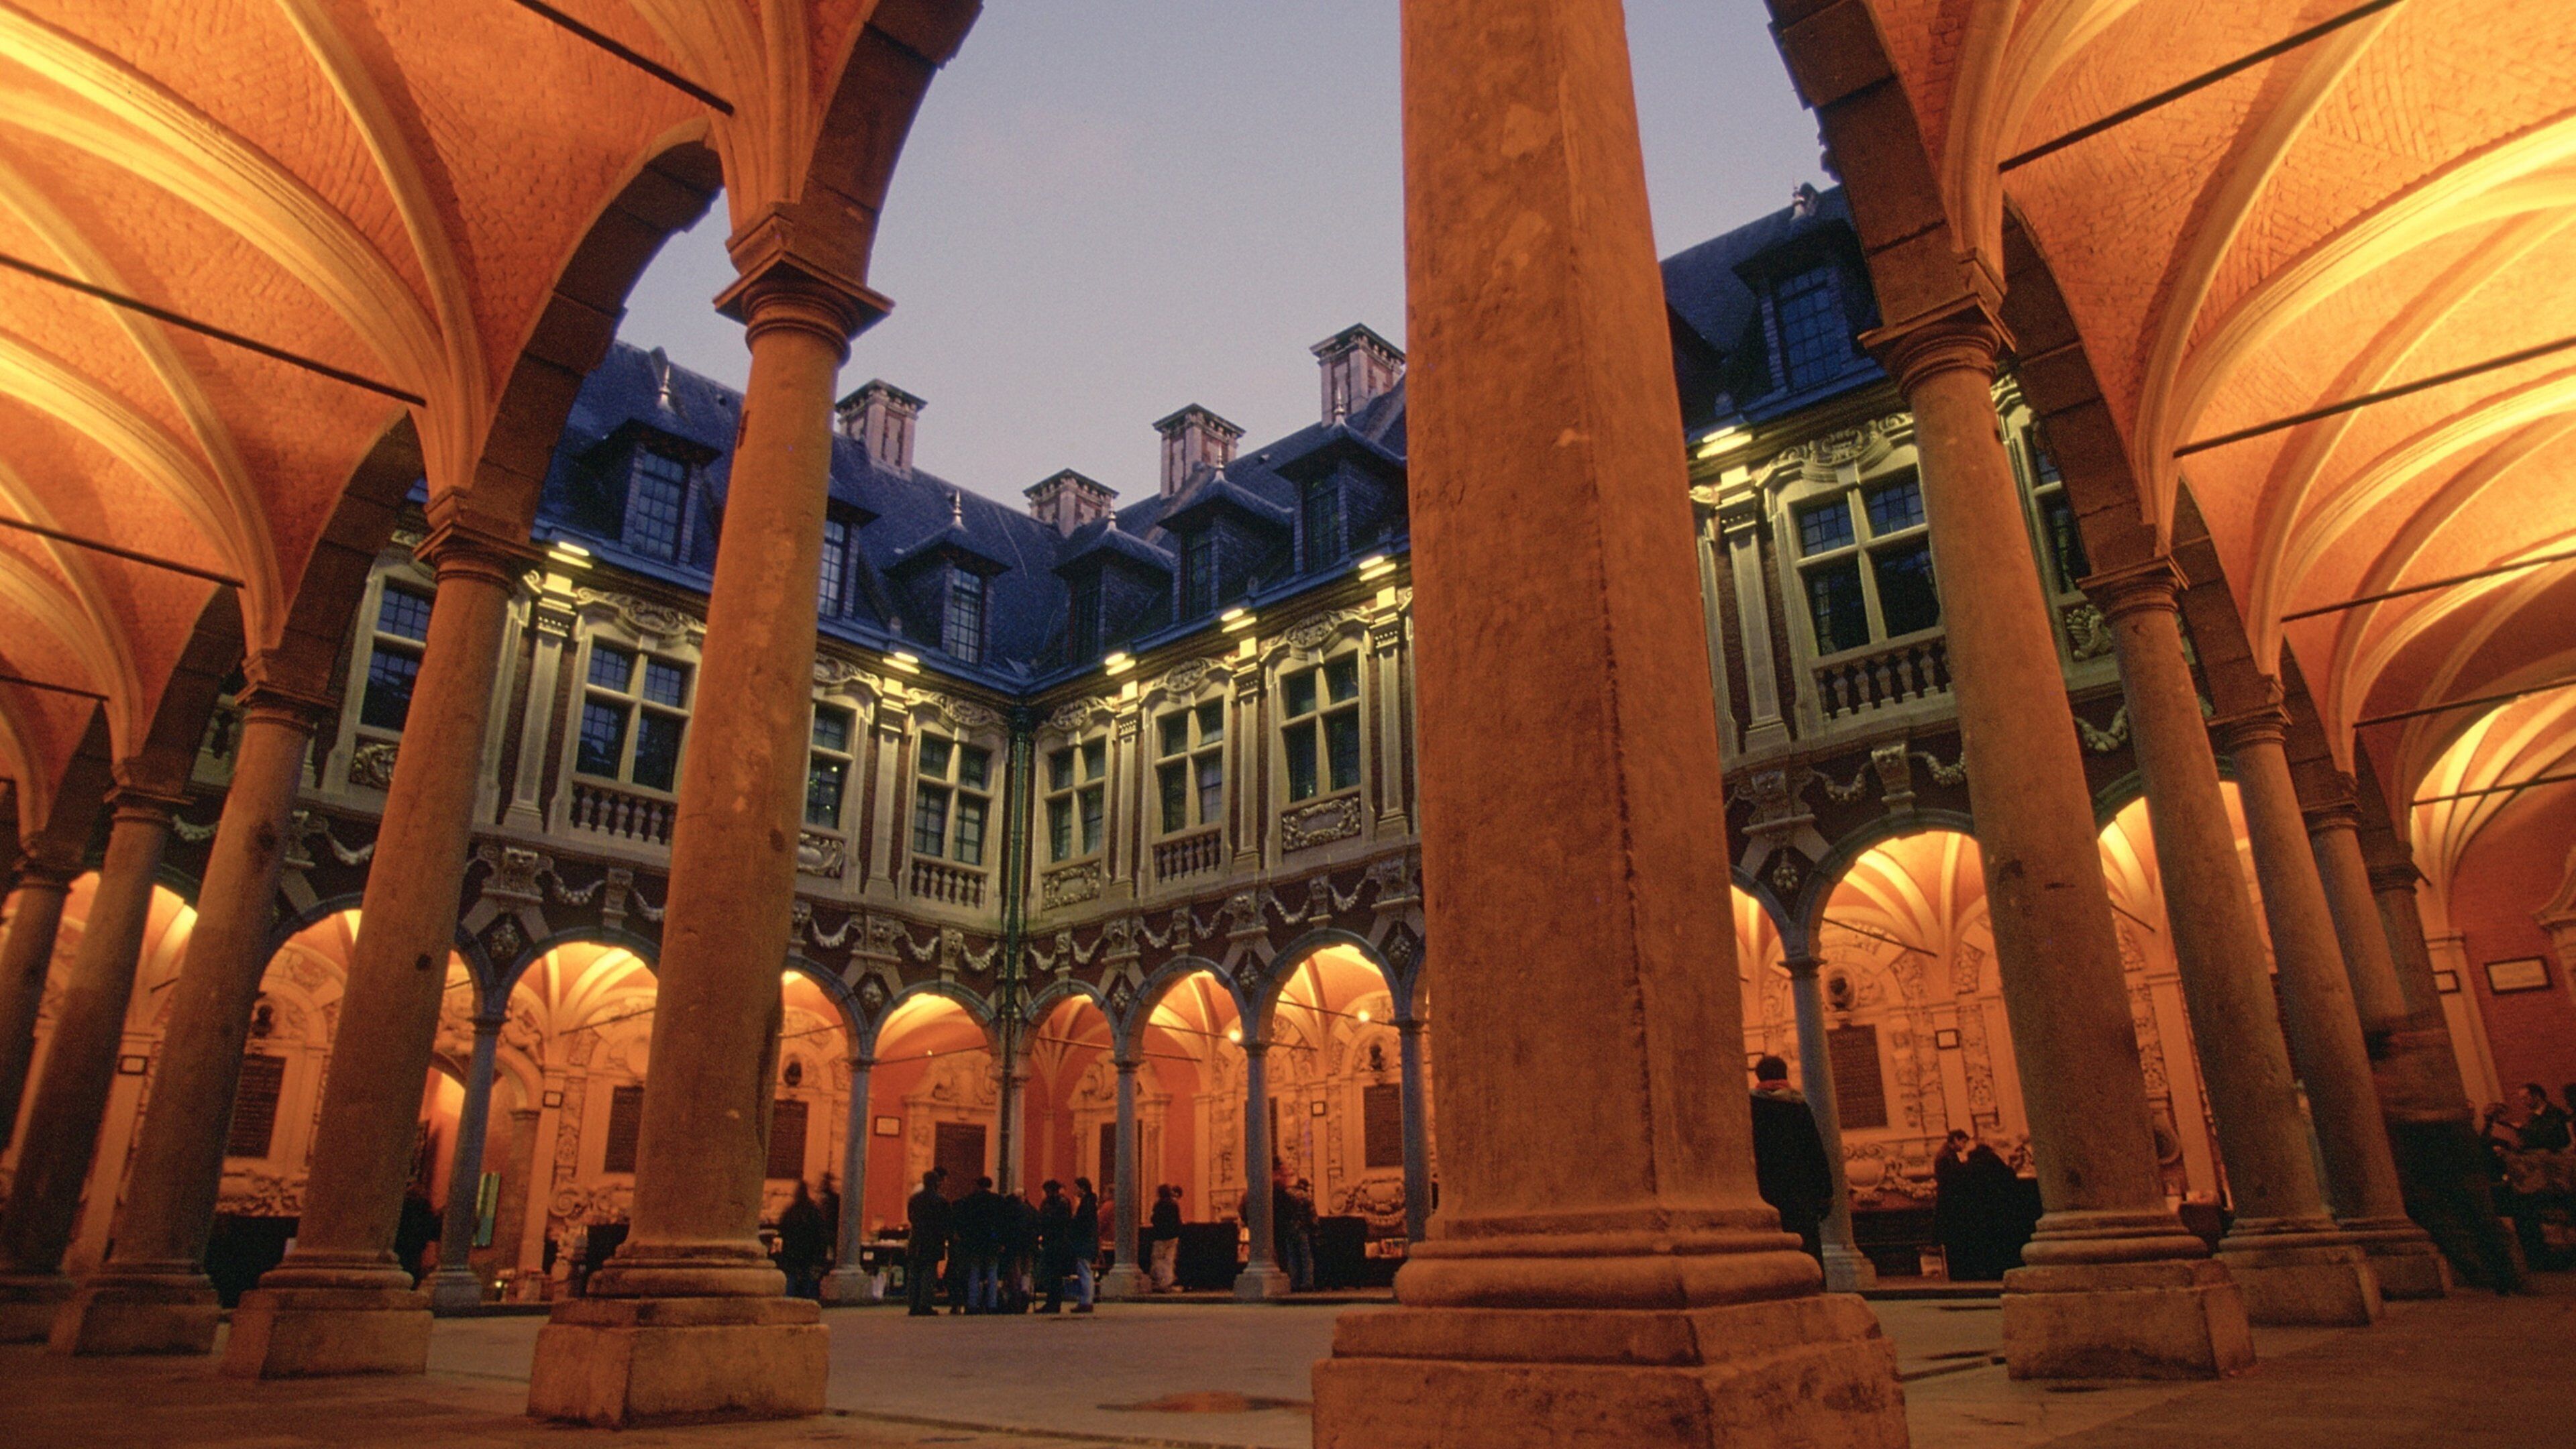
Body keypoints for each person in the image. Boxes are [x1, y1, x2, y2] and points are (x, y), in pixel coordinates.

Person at [1748, 1055, 1834, 1263]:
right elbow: (1815, 1150)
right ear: (1784, 1074)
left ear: (1758, 1076)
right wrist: (1825, 1193)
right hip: (1800, 1192)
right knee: (1806, 1249)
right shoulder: (1797, 1105)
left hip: (1765, 1190)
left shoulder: (1750, 1106)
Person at [952, 1175, 1007, 1313]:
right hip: (992, 1242)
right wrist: (1000, 1241)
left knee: (974, 1273)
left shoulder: (969, 1201)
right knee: (992, 1273)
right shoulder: (998, 1201)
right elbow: (1002, 1223)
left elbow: (962, 1221)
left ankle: (972, 1304)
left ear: (977, 1185)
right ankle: (992, 1304)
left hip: (974, 1242)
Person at [904, 1168, 951, 1316]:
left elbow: (910, 1217)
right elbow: (946, 1221)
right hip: (933, 1240)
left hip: (916, 1238)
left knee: (914, 1273)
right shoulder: (941, 1200)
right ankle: (925, 1305)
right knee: (928, 1273)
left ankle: (913, 1305)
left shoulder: (914, 1198)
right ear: (937, 1183)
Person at [775, 1180, 830, 1298]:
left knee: (791, 1284)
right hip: (809, 1257)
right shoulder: (813, 1212)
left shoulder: (791, 1212)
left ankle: (788, 1307)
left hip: (792, 1256)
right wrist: (820, 1257)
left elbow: (782, 1232)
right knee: (808, 1287)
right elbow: (821, 1236)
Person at [1035, 1179, 1077, 1313]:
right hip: (1054, 1242)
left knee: (1054, 1274)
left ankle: (1054, 1302)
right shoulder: (1059, 1203)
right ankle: (1052, 1302)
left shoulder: (1058, 1204)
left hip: (1056, 1242)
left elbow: (1054, 1222)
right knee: (1051, 1274)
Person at [1066, 1177, 1101, 1312]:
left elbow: (1082, 1224)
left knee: (1084, 1271)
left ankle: (1086, 1301)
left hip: (1084, 1243)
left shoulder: (1086, 1205)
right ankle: (1086, 1300)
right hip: (1088, 1242)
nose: (1075, 1190)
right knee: (1085, 1271)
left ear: (1082, 1188)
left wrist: (1073, 1224)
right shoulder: (1090, 1203)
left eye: (1076, 1188)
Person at [1148, 1185, 1183, 1292]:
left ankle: (1159, 1281)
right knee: (1169, 1260)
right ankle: (1168, 1281)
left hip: (1160, 1235)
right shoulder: (1174, 1204)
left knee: (1158, 1259)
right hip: (1172, 1236)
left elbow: (1154, 1219)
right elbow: (1178, 1220)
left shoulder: (1158, 1205)